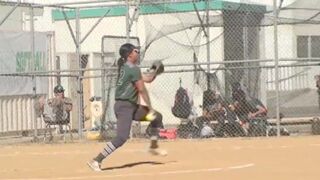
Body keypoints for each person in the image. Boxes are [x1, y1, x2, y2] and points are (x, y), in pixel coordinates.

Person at [87, 43, 165, 172]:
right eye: (136, 51)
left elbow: (146, 78)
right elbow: (142, 89)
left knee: (157, 117)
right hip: (125, 107)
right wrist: (149, 107)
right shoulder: (132, 68)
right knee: (122, 138)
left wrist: (155, 71)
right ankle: (96, 160)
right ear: (129, 55)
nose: (138, 53)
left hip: (131, 106)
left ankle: (153, 145)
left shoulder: (126, 67)